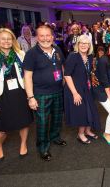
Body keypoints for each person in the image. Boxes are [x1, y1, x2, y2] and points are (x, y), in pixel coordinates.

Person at [0, 28, 33, 162]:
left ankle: (23, 144)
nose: (6, 41)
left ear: (13, 40)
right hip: (1, 95)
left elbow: (27, 77)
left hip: (20, 93)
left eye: (9, 39)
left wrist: (30, 96)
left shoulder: (20, 54)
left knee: (24, 122)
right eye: (3, 38)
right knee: (2, 128)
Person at [23, 25, 67, 161]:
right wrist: (30, 97)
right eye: (41, 36)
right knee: (42, 122)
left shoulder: (58, 49)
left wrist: (64, 85)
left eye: (48, 35)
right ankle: (43, 147)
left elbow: (63, 67)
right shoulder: (31, 53)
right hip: (40, 94)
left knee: (57, 118)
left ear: (52, 36)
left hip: (58, 91)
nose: (45, 38)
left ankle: (55, 137)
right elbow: (27, 77)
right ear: (37, 37)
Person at [64, 35, 100, 144]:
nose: (84, 45)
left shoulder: (89, 57)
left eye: (86, 43)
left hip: (86, 88)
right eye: (81, 43)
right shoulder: (73, 56)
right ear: (78, 45)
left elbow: (88, 72)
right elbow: (67, 75)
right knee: (82, 112)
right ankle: (80, 134)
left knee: (91, 109)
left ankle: (88, 131)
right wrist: (75, 93)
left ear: (90, 45)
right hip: (75, 88)